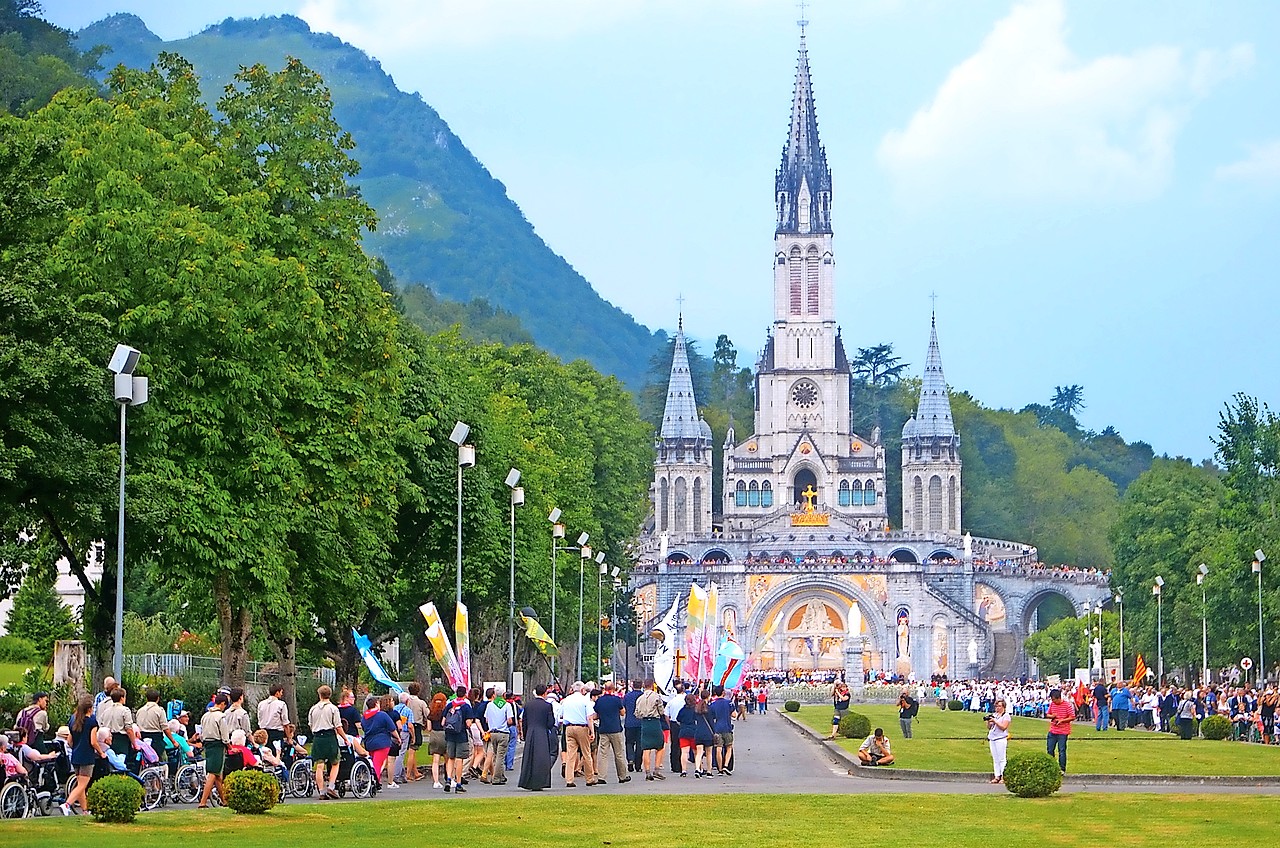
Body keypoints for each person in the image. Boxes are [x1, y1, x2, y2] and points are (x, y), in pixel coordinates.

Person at [307, 684, 348, 800]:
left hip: (318, 738)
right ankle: (331, 786)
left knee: (319, 765)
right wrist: (345, 738)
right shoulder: (333, 708)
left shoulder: (313, 709)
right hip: (330, 736)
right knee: (335, 762)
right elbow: (338, 726)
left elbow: (310, 725)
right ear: (329, 695)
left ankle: (321, 791)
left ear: (319, 695)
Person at [559, 681, 598, 787]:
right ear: (582, 690)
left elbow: (561, 714)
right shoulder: (585, 701)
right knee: (586, 753)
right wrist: (592, 731)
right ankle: (589, 778)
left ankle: (569, 779)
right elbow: (589, 717)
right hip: (582, 727)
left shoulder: (566, 700)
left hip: (569, 727)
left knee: (571, 754)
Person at [361, 694, 400, 789]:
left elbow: (363, 727)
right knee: (378, 763)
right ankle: (375, 781)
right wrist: (398, 738)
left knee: (373, 761)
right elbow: (392, 728)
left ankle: (373, 779)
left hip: (369, 742)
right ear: (376, 704)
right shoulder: (382, 715)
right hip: (382, 742)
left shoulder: (364, 717)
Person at [197, 692, 229, 808]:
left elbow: (201, 733)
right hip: (217, 745)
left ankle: (224, 800)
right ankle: (203, 801)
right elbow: (224, 735)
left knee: (217, 775)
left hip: (207, 744)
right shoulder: (221, 717)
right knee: (213, 773)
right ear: (222, 704)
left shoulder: (205, 716)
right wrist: (229, 746)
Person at [593, 681, 628, 783]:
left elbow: (597, 713)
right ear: (613, 689)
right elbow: (622, 713)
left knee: (603, 754)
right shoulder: (616, 700)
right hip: (615, 729)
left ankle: (602, 777)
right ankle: (622, 776)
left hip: (603, 729)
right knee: (619, 754)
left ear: (604, 689)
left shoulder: (600, 701)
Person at [482, 688, 516, 785]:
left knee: (496, 755)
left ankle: (501, 775)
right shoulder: (506, 705)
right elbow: (509, 720)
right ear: (503, 695)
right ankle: (496, 778)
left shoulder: (490, 705)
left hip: (493, 733)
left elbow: (487, 720)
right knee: (500, 756)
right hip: (503, 732)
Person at [635, 677, 666, 781]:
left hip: (645, 723)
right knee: (660, 746)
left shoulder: (640, 698)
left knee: (646, 748)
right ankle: (656, 769)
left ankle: (647, 772)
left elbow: (637, 713)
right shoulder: (657, 697)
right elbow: (661, 711)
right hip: (655, 722)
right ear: (653, 685)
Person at [443, 685, 473, 793]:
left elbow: (443, 722)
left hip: (450, 735)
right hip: (461, 735)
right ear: (465, 694)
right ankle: (458, 782)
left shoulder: (450, 705)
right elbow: (468, 723)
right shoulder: (466, 706)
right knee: (459, 759)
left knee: (451, 758)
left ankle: (448, 779)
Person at [404, 682, 428, 783]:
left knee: (412, 751)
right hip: (416, 725)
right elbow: (427, 714)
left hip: (406, 725)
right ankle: (408, 774)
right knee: (412, 750)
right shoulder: (421, 703)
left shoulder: (406, 701)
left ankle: (416, 772)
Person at [708, 684, 735, 775]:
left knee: (718, 749)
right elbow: (734, 714)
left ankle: (719, 769)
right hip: (727, 727)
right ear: (723, 693)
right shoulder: (729, 703)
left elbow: (711, 717)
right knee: (729, 747)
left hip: (717, 728)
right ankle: (726, 765)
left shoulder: (712, 705)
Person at [1045, 688, 1073, 773]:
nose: (1053, 701)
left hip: (1063, 731)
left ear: (1058, 698)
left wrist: (1062, 720)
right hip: (1053, 730)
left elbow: (1072, 716)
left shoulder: (1067, 705)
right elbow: (1047, 714)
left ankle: (1062, 769)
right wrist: (1052, 716)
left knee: (1062, 750)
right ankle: (1051, 767)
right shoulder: (1052, 704)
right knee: (1050, 749)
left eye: (1054, 699)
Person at [985, 698, 1011, 784]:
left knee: (1002, 758)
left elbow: (1003, 727)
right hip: (992, 738)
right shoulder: (994, 715)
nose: (998, 708)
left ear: (1003, 707)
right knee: (995, 758)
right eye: (996, 706)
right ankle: (997, 776)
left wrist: (995, 721)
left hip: (1000, 738)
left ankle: (1003, 776)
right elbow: (989, 727)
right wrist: (989, 721)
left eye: (999, 706)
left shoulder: (1006, 716)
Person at [425, 692, 448, 788]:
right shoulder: (445, 711)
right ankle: (449, 778)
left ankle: (436, 781)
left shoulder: (431, 713)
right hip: (444, 734)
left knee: (435, 760)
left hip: (434, 734)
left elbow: (429, 728)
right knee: (448, 759)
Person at [257, 684, 289, 748]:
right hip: (276, 733)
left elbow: (259, 719)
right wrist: (289, 737)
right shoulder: (281, 704)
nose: (281, 694)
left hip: (264, 733)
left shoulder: (261, 704)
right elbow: (285, 722)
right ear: (277, 693)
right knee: (276, 753)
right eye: (281, 692)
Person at [623, 679, 643, 773]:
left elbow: (624, 708)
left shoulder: (627, 696)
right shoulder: (643, 696)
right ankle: (638, 764)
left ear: (632, 686)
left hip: (629, 722)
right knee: (640, 744)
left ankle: (630, 759)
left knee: (629, 743)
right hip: (641, 723)